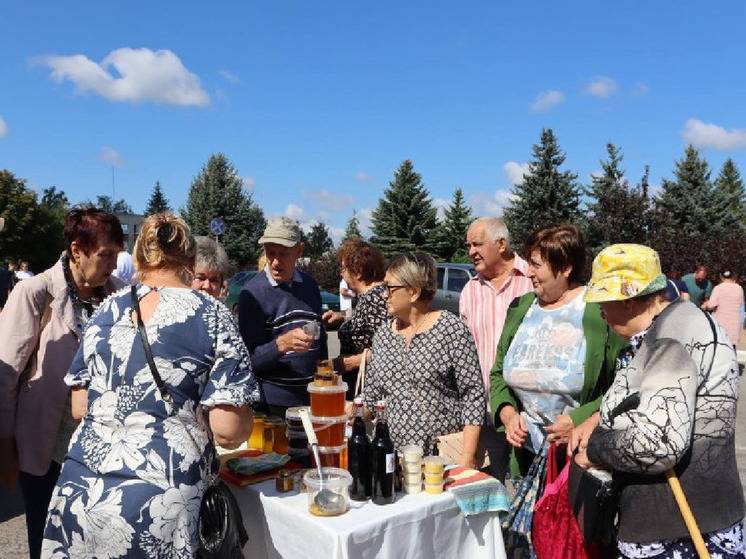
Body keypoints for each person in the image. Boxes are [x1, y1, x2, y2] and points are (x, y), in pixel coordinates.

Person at [41, 212, 259, 558]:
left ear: (139, 258)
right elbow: (228, 429)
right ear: (190, 261)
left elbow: (80, 407)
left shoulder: (104, 310)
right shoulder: (212, 315)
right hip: (158, 504)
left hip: (79, 493)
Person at [573, 244, 745, 558]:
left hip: (676, 530)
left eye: (603, 302)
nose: (600, 311)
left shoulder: (670, 339)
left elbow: (658, 444)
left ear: (627, 300)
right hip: (695, 516)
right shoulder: (672, 326)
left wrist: (596, 448)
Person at [0, 207, 125, 559]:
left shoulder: (116, 295)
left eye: (117, 255)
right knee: (48, 539)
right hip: (45, 449)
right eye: (105, 255)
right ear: (76, 250)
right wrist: (5, 446)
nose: (113, 266)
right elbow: (5, 375)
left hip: (100, 449)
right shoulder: (35, 293)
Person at [490, 224, 626, 477]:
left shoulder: (599, 312)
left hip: (579, 462)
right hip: (526, 460)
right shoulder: (521, 308)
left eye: (536, 264)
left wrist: (580, 419)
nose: (528, 272)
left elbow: (626, 384)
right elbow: (498, 373)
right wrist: (508, 415)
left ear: (565, 268)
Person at [362, 252, 486, 468]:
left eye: (390, 288)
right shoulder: (383, 335)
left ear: (413, 291)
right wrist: (339, 411)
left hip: (443, 458)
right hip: (394, 458)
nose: (384, 295)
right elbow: (371, 399)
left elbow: (472, 394)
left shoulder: (450, 329)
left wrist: (467, 456)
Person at [460, 217, 534, 478]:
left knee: (531, 488)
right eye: (469, 245)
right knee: (496, 486)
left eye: (477, 244)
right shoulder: (470, 290)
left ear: (501, 244)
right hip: (486, 412)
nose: (471, 252)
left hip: (528, 412)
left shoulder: (533, 280)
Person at [238, 216, 327, 415]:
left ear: (299, 251)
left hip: (311, 400)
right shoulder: (252, 294)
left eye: (283, 254)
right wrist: (281, 345)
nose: (276, 262)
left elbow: (320, 341)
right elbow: (245, 361)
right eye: (271, 253)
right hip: (271, 406)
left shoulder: (310, 286)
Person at [322, 239, 388, 396]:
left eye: (344, 268)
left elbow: (391, 346)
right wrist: (343, 318)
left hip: (370, 387)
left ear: (358, 271)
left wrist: (351, 362)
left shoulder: (374, 299)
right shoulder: (371, 296)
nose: (341, 273)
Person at [703, 270, 745, 347]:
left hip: (721, 326)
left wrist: (706, 304)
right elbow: (742, 308)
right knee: (732, 350)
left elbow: (711, 305)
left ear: (721, 277)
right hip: (734, 326)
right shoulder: (739, 289)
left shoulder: (718, 288)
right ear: (732, 277)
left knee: (720, 351)